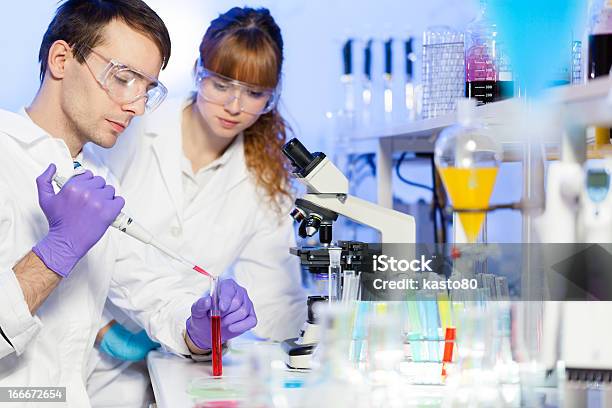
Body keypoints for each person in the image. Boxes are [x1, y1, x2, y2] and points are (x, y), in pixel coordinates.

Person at [0, 1, 256, 407]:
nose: (137, 107)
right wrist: (54, 254)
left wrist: (198, 327)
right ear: (62, 59)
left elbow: (148, 288)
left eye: (147, 89)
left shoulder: (99, 179)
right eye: (123, 78)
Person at [87, 7, 307, 407]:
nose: (235, 105)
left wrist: (316, 340)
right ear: (198, 71)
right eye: (221, 84)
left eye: (255, 93)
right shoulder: (132, 126)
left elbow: (276, 298)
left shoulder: (266, 182)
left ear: (271, 98)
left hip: (184, 357)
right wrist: (101, 328)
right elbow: (74, 231)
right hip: (90, 344)